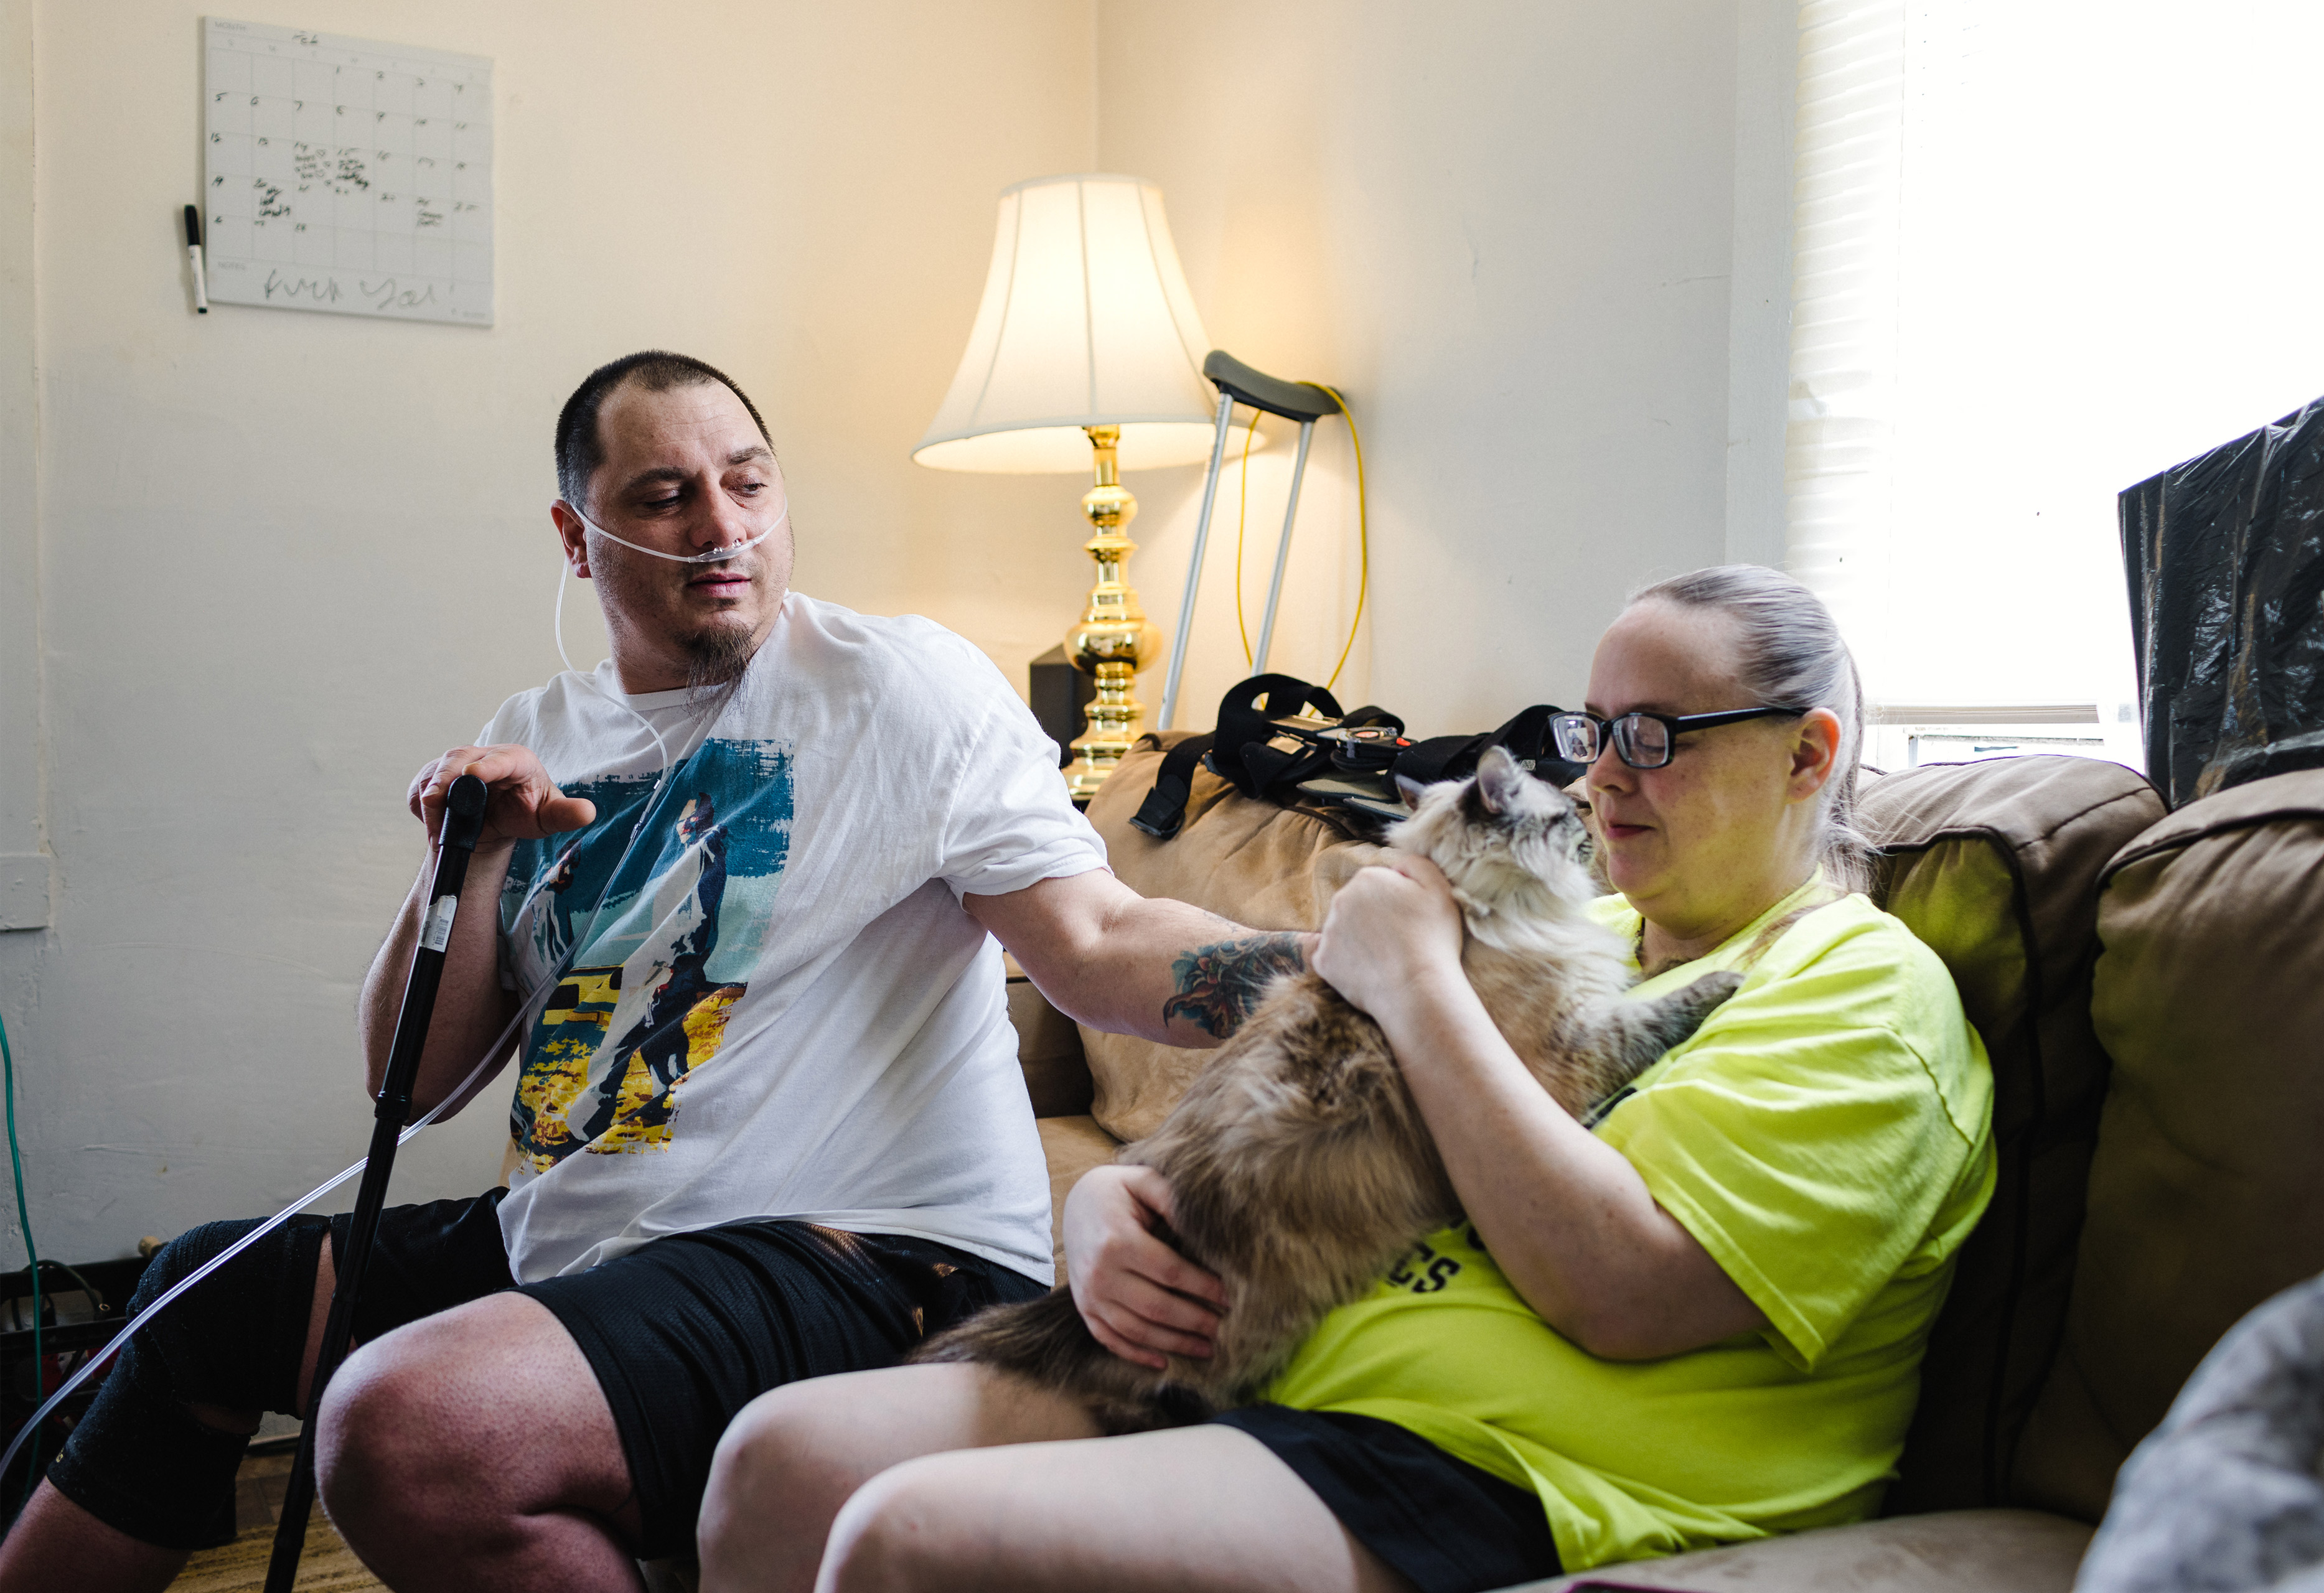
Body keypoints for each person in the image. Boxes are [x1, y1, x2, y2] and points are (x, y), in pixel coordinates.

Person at [0, 352, 1308, 1593]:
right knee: (198, 1295)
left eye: (748, 482)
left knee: (403, 1427)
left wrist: (1331, 974)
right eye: (664, 495)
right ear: (577, 538)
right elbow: (415, 1085)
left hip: (869, 1255)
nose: (722, 526)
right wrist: (464, 861)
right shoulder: (536, 734)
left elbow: (1097, 942)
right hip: (584, 1241)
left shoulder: (903, 689)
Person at [695, 564, 1999, 1593]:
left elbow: (1621, 1290)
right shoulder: (1583, 932)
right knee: (775, 1462)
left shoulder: (1862, 995)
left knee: (909, 1538)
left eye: (1657, 736)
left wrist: (1419, 977)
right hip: (1264, 1369)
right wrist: (1115, 1208)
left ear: (1807, 754)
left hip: (1513, 1470)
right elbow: (1303, 1098)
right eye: (1595, 729)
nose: (1602, 776)